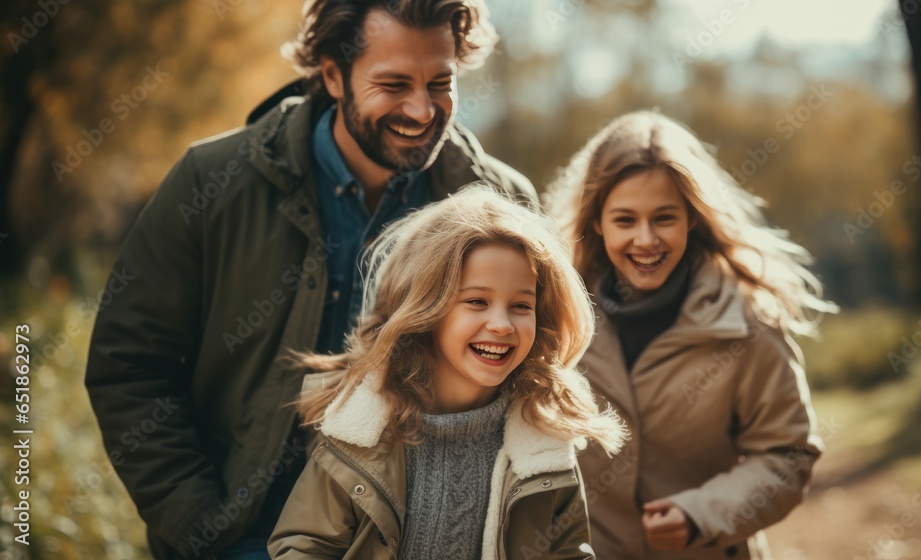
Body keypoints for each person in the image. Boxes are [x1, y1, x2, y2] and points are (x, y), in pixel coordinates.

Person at [84, 1, 536, 558]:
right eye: (393, 84)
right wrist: (201, 525)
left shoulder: (503, 205)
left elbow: (534, 383)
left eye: (440, 83)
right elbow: (129, 363)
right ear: (331, 75)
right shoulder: (212, 182)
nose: (422, 110)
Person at [266, 187, 626, 559]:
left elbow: (569, 553)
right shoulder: (358, 431)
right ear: (426, 308)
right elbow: (304, 548)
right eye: (476, 301)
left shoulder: (544, 445)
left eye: (521, 305)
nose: (502, 324)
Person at [544, 111, 837, 560]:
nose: (646, 240)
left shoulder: (747, 322)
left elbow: (788, 455)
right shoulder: (552, 316)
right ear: (597, 221)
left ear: (691, 219)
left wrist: (702, 514)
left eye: (664, 218)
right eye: (625, 220)